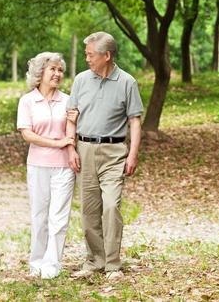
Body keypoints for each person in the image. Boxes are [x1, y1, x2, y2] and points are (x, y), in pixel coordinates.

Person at [66, 31, 143, 280]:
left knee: (111, 206)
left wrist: (132, 154)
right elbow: (71, 116)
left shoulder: (127, 82)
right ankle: (94, 260)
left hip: (114, 152)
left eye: (90, 54)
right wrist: (71, 147)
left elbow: (134, 120)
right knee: (89, 210)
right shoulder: (80, 80)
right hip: (85, 150)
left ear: (106, 55)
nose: (87, 58)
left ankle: (112, 264)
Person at [16, 52, 78, 279]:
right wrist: (57, 142)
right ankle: (37, 262)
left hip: (64, 167)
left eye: (60, 70)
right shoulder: (27, 101)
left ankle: (52, 264)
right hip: (37, 165)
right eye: (53, 69)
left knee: (59, 217)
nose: (57, 74)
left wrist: (69, 145)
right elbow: (27, 134)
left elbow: (72, 130)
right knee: (39, 216)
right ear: (40, 72)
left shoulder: (69, 100)